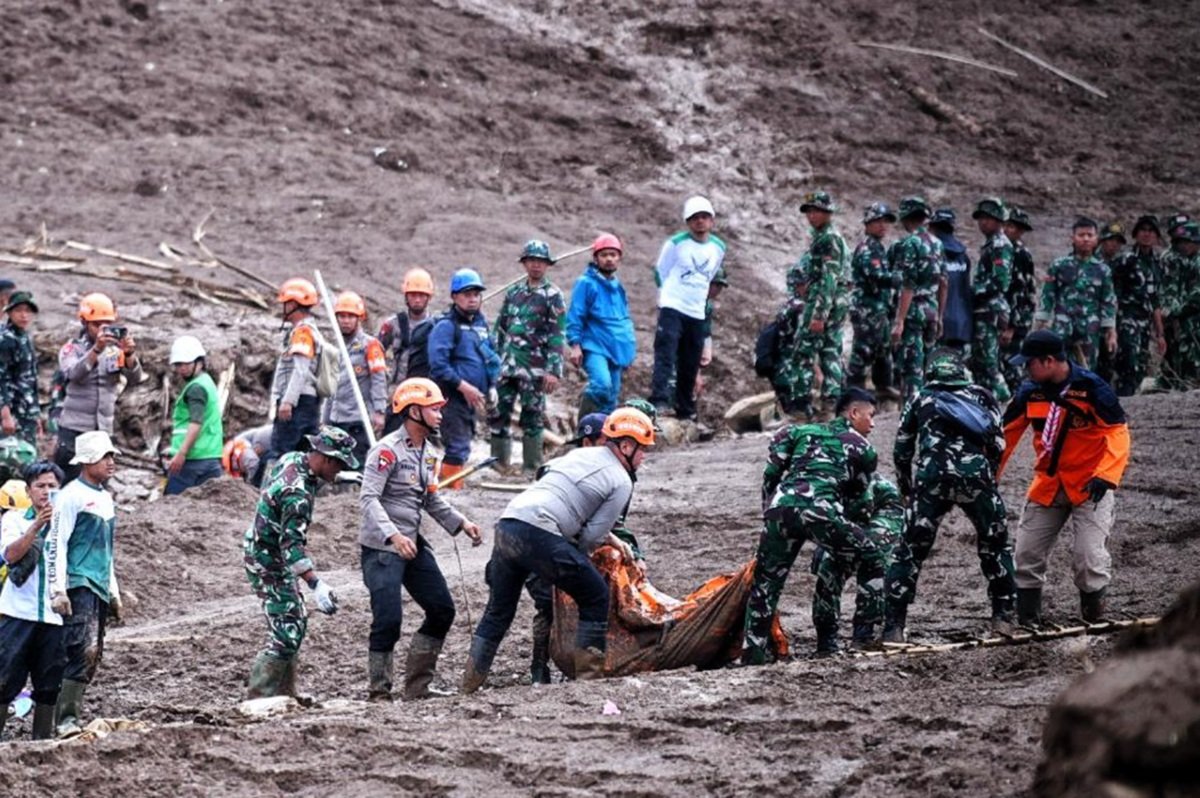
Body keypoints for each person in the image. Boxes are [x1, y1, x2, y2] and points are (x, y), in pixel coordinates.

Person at [461, 407, 655, 693]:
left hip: (508, 523)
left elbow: (559, 494)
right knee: (594, 594)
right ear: (626, 445)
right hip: (540, 532)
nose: (644, 456)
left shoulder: (578, 455)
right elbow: (591, 536)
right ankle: (589, 682)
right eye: (643, 449)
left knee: (498, 611)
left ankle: (468, 685)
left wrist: (615, 541)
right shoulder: (622, 481)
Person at [360, 379, 482, 701]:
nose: (441, 414)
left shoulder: (429, 454)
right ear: (414, 411)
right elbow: (369, 498)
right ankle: (379, 692)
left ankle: (417, 688)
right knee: (388, 619)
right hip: (382, 547)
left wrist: (461, 523)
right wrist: (394, 535)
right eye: (434, 408)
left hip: (412, 543)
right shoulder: (386, 451)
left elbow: (431, 499)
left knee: (442, 609)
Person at [883, 350, 1016, 643]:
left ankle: (894, 627)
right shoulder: (982, 396)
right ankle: (1003, 617)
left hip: (931, 480)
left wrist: (907, 489)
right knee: (995, 544)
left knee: (909, 550)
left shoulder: (920, 398)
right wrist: (989, 477)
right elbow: (997, 442)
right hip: (976, 478)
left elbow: (901, 450)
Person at [742, 388, 881, 665]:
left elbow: (771, 473)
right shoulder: (863, 448)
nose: (874, 423)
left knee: (766, 584)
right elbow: (860, 503)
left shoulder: (797, 432)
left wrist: (769, 511)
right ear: (854, 413)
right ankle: (852, 638)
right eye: (871, 416)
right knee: (872, 556)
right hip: (822, 511)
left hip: (781, 509)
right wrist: (837, 543)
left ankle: (753, 655)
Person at [1001, 330, 1130, 624]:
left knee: (1088, 559)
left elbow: (1117, 432)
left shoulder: (1092, 388)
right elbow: (1003, 438)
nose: (1026, 369)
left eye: (1029, 363)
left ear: (1048, 361)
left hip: (1090, 486)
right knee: (1026, 554)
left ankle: (1094, 619)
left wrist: (1106, 476)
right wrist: (986, 480)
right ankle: (1028, 621)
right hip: (1048, 484)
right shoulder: (1029, 393)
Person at [243, 426, 359, 699]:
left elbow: (309, 475)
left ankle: (284, 694)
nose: (338, 469)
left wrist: (340, 477)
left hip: (263, 548)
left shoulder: (294, 458)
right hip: (268, 559)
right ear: (326, 458)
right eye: (339, 464)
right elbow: (291, 547)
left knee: (294, 620)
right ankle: (260, 699)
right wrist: (316, 584)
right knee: (287, 630)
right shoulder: (297, 498)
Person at [43, 431, 121, 733]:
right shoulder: (70, 496)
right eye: (106, 457)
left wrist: (114, 593)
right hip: (79, 582)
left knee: (94, 652)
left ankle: (68, 716)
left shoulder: (106, 499)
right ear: (88, 461)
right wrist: (58, 589)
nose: (111, 463)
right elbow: (56, 543)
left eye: (112, 456)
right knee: (81, 649)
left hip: (98, 583)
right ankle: (65, 722)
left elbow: (108, 551)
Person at [527, 410, 607, 685]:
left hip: (569, 547)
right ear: (588, 443)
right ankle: (539, 665)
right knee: (547, 605)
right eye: (605, 442)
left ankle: (578, 662)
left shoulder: (606, 473)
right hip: (539, 546)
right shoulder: (560, 468)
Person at [490, 240, 566, 476]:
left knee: (532, 417)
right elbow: (501, 328)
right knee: (499, 413)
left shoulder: (553, 296)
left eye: (540, 261)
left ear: (547, 265)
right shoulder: (514, 293)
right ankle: (498, 464)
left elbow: (556, 334)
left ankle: (531, 467)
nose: (536, 265)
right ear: (524, 263)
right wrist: (493, 361)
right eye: (531, 260)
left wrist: (554, 370)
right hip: (507, 367)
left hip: (534, 369)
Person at [649, 196, 728, 421]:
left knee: (690, 359)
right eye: (695, 218)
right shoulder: (676, 243)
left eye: (704, 217)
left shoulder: (718, 247)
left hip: (696, 309)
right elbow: (660, 271)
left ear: (711, 220)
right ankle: (660, 399)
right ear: (688, 221)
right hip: (673, 305)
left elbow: (711, 275)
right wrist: (668, 296)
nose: (700, 222)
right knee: (666, 351)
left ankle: (686, 407)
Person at [0, 462, 63, 740]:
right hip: (17, 613)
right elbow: (10, 555)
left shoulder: (69, 521)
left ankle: (42, 744)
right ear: (29, 490)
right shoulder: (14, 520)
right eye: (40, 486)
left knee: (49, 684)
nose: (46, 492)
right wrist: (36, 526)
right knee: (4, 680)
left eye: (52, 486)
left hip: (54, 616)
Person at [810, 473, 904, 655]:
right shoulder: (810, 479)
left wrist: (829, 542)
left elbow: (861, 510)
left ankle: (864, 635)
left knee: (871, 562)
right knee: (828, 570)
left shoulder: (852, 473)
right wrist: (823, 543)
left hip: (882, 509)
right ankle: (826, 641)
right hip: (847, 516)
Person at [55, 293, 142, 481]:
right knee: (68, 481)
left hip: (103, 429)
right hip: (75, 428)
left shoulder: (115, 350)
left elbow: (135, 379)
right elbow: (74, 374)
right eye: (97, 325)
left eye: (106, 324)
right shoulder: (72, 349)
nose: (102, 330)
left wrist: (129, 355)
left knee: (100, 483)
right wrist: (96, 350)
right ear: (85, 323)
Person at [781, 190, 850, 421]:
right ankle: (831, 406)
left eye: (816, 211)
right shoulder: (828, 237)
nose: (811, 215)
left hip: (824, 302)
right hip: (835, 301)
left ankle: (802, 408)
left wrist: (819, 313)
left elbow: (828, 278)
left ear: (827, 212)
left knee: (803, 353)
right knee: (830, 350)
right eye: (809, 211)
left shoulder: (828, 239)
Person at [428, 268, 499, 489]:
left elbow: (490, 356)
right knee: (457, 445)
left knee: (464, 444)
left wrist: (493, 385)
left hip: (473, 399)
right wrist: (463, 386)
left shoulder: (481, 325)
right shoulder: (446, 327)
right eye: (467, 294)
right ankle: (450, 490)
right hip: (452, 398)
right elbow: (438, 365)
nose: (472, 299)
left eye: (476, 294)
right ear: (455, 297)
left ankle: (451, 484)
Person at [566, 234, 636, 416]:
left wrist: (627, 350)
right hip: (594, 344)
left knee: (611, 395)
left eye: (613, 254)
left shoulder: (617, 285)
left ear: (619, 257)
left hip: (616, 347)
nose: (609, 259)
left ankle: (602, 438)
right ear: (596, 258)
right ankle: (583, 432)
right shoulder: (585, 283)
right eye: (604, 255)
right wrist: (575, 344)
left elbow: (623, 319)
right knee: (601, 385)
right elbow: (576, 314)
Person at [1034, 217, 1117, 371]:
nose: (1085, 239)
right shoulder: (1059, 265)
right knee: (1057, 368)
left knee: (1086, 371)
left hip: (1090, 328)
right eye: (1081, 235)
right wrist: (1041, 322)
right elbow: (1048, 294)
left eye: (1089, 235)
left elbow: (1107, 301)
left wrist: (1110, 331)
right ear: (1072, 238)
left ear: (1096, 238)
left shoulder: (1102, 270)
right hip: (1062, 327)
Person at [890, 196, 947, 402]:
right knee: (929, 367)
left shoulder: (910, 243)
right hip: (932, 311)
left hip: (914, 313)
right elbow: (943, 282)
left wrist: (900, 320)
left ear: (906, 217)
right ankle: (931, 410)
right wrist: (940, 316)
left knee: (912, 369)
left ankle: (910, 416)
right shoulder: (938, 244)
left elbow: (908, 285)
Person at [325, 291, 388, 468]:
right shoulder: (334, 347)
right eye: (342, 316)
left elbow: (378, 379)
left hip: (358, 418)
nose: (345, 320)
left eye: (350, 316)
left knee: (356, 463)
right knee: (335, 465)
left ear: (359, 318)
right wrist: (325, 418)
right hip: (337, 418)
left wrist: (379, 411)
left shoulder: (370, 345)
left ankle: (355, 495)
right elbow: (331, 386)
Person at [267, 278, 323, 464]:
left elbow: (300, 370)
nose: (283, 308)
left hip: (298, 403)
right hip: (309, 403)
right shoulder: (308, 330)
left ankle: (275, 491)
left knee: (281, 453)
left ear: (293, 304)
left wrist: (287, 402)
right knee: (305, 456)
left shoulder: (302, 333)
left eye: (285, 304)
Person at [847, 202, 899, 397]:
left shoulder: (878, 248)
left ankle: (883, 386)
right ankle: (853, 390)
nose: (883, 225)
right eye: (878, 221)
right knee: (863, 349)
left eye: (885, 221)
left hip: (879, 308)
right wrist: (900, 279)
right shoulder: (867, 248)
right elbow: (876, 275)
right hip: (866, 309)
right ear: (867, 224)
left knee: (882, 348)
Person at [1111, 216, 1167, 396]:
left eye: (1151, 231)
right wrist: (1111, 326)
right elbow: (1112, 292)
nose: (1147, 234)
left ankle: (1131, 404)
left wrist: (1160, 334)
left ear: (1157, 237)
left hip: (1145, 324)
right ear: (1135, 234)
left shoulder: (1158, 263)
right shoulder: (1125, 260)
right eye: (1142, 230)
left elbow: (1155, 299)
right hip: (1125, 320)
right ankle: (1121, 402)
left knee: (1141, 366)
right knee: (1128, 364)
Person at [164, 335, 225, 495]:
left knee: (171, 506)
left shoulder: (196, 388)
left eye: (185, 363)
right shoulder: (206, 381)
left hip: (192, 460)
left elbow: (195, 423)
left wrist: (181, 453)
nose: (181, 368)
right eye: (178, 364)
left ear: (199, 362)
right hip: (210, 456)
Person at [378, 267, 435, 433]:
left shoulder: (437, 326)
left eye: (421, 295)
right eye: (413, 295)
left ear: (428, 297)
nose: (417, 299)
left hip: (425, 394)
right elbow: (375, 353)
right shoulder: (392, 325)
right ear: (406, 296)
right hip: (398, 392)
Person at [969, 198, 1015, 401]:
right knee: (981, 360)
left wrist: (972, 291)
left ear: (998, 220)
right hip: (985, 309)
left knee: (988, 362)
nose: (983, 223)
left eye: (988, 218)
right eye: (981, 219)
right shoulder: (990, 244)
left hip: (991, 310)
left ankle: (1006, 400)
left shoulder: (999, 245)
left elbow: (1000, 281)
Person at [1002, 207, 1038, 393]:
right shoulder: (1003, 250)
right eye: (1008, 226)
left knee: (1012, 364)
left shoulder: (1020, 255)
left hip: (1016, 320)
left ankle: (1019, 398)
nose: (1010, 231)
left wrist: (1011, 326)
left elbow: (1020, 291)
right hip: (1007, 317)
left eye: (1016, 228)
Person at [0, 291, 42, 447]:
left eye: (28, 311)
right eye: (19, 310)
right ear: (9, 312)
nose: (24, 315)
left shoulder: (24, 337)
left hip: (26, 412)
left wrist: (35, 414)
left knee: (28, 458)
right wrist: (5, 415)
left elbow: (30, 379)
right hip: (11, 412)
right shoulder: (5, 339)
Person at [928, 208, 972, 351]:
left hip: (936, 324)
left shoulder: (931, 253)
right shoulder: (963, 256)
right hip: (961, 324)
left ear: (932, 227)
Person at [222, 423, 273, 488]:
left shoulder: (236, 452)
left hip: (273, 444)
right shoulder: (234, 450)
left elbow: (253, 463)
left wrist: (248, 486)